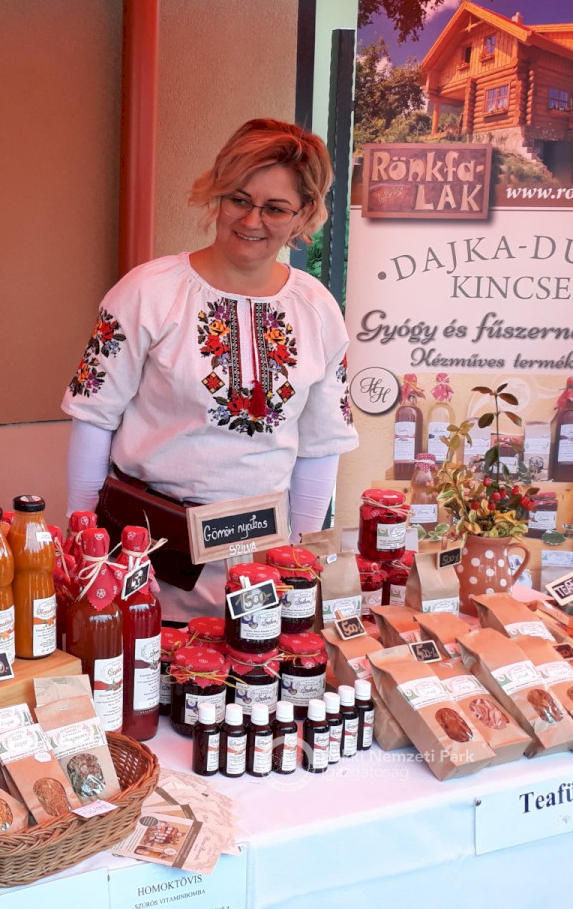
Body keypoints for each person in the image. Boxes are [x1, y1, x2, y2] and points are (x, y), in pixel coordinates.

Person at [63, 119, 357, 622]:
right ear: (218, 194)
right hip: (148, 559)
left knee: (253, 667)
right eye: (239, 199)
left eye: (275, 208)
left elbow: (320, 445)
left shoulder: (318, 309)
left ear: (304, 213)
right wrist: (84, 545)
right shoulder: (147, 292)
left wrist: (298, 561)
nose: (252, 220)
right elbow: (93, 418)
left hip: (260, 571)